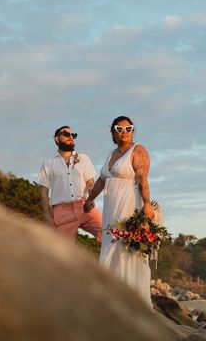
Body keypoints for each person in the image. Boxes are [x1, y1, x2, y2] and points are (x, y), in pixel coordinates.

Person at [84, 116, 154, 306]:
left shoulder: (138, 150)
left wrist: (147, 204)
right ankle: (111, 297)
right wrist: (90, 200)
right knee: (110, 246)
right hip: (111, 209)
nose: (124, 132)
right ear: (113, 132)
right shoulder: (111, 153)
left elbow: (142, 179)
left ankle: (132, 299)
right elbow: (101, 179)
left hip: (129, 205)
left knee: (125, 249)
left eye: (128, 128)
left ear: (133, 131)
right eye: (119, 128)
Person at [37, 125, 102, 242]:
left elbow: (90, 182)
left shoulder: (83, 158)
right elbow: (43, 192)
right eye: (66, 134)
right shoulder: (48, 163)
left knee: (109, 232)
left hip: (85, 207)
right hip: (61, 213)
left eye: (73, 135)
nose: (71, 137)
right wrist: (47, 217)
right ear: (57, 139)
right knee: (62, 252)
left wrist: (91, 197)